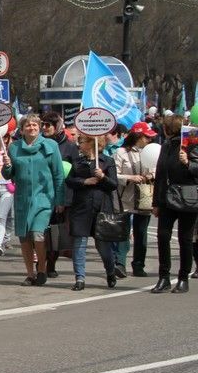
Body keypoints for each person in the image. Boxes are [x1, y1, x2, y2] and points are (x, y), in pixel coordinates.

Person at [2, 114, 63, 287]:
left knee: (38, 234)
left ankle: (42, 268)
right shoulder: (14, 148)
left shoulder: (51, 146)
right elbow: (8, 175)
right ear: (22, 130)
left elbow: (58, 175)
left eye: (35, 125)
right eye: (28, 125)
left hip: (44, 199)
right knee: (24, 238)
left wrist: (59, 200)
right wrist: (7, 165)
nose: (32, 127)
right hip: (22, 200)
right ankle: (30, 274)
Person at [63, 134, 119, 291]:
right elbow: (69, 181)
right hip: (81, 208)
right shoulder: (77, 162)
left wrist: (103, 177)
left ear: (92, 143)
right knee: (79, 244)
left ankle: (110, 271)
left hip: (101, 208)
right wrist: (84, 181)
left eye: (81, 142)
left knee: (103, 246)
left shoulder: (107, 161)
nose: (78, 145)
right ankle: (80, 278)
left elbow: (113, 185)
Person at [151, 114, 198, 294]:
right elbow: (161, 174)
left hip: (188, 198)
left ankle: (183, 277)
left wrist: (188, 163)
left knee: (185, 239)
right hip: (167, 199)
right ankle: (164, 277)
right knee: (163, 236)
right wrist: (156, 202)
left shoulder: (192, 145)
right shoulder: (166, 146)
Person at [114, 122, 156, 277]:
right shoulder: (120, 152)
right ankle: (120, 264)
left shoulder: (150, 151)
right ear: (138, 136)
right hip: (125, 198)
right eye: (146, 137)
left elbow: (156, 169)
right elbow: (114, 175)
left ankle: (139, 265)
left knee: (141, 233)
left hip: (144, 197)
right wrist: (130, 177)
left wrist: (151, 175)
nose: (149, 140)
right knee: (123, 232)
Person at [40, 112, 78, 279]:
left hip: (61, 195)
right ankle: (40, 261)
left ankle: (51, 262)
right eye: (43, 124)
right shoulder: (38, 144)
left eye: (48, 125)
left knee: (55, 232)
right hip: (41, 193)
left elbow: (75, 172)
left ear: (57, 126)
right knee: (39, 230)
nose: (44, 128)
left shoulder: (69, 147)